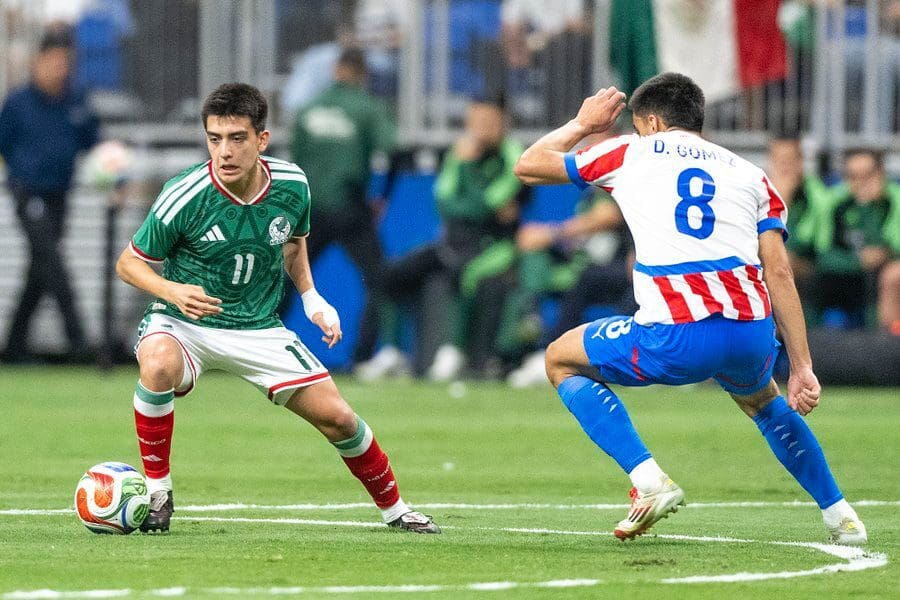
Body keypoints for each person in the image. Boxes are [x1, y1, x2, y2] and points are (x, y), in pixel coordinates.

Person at [513, 73, 867, 545]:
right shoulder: (752, 175)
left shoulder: (631, 152)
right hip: (750, 334)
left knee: (559, 357)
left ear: (653, 122)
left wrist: (581, 123)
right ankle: (841, 515)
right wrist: (802, 364)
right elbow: (779, 274)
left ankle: (648, 481)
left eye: (639, 126)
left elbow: (529, 164)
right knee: (765, 402)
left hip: (678, 336)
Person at [115, 83, 439, 534]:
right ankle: (158, 492)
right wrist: (171, 291)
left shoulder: (292, 184)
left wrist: (312, 298)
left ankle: (397, 510)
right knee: (158, 365)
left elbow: (291, 242)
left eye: (237, 138)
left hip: (258, 327)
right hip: (186, 321)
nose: (224, 151)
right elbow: (129, 263)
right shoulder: (184, 193)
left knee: (340, 418)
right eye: (214, 139)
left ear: (262, 140)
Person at [356, 97, 524, 381]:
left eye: (489, 124)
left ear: (502, 125)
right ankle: (394, 353)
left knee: (466, 273)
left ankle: (453, 352)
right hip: (451, 244)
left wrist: (469, 175)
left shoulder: (514, 155)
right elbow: (445, 201)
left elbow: (488, 204)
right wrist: (468, 182)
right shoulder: (457, 153)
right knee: (388, 274)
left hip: (495, 247)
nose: (482, 130)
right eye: (476, 123)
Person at [288, 48, 396, 368]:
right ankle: (364, 356)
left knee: (286, 279)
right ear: (362, 73)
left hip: (310, 210)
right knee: (379, 279)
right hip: (350, 208)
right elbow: (393, 151)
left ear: (336, 69)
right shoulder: (367, 108)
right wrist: (382, 195)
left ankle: (257, 347)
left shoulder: (308, 108)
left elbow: (293, 163)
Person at [0, 30, 99, 361]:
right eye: (54, 62)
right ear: (38, 63)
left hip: (60, 195)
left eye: (65, 63)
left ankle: (14, 348)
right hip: (27, 192)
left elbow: (95, 145)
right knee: (53, 264)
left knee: (40, 268)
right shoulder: (17, 104)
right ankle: (80, 345)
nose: (60, 69)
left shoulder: (77, 102)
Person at [808, 148, 899, 330]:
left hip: (881, 278)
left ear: (881, 173)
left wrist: (869, 209)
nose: (861, 183)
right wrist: (858, 261)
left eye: (867, 175)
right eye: (853, 176)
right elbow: (821, 251)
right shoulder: (835, 201)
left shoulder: (895, 199)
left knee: (891, 275)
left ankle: (889, 348)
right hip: (842, 278)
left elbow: (893, 246)